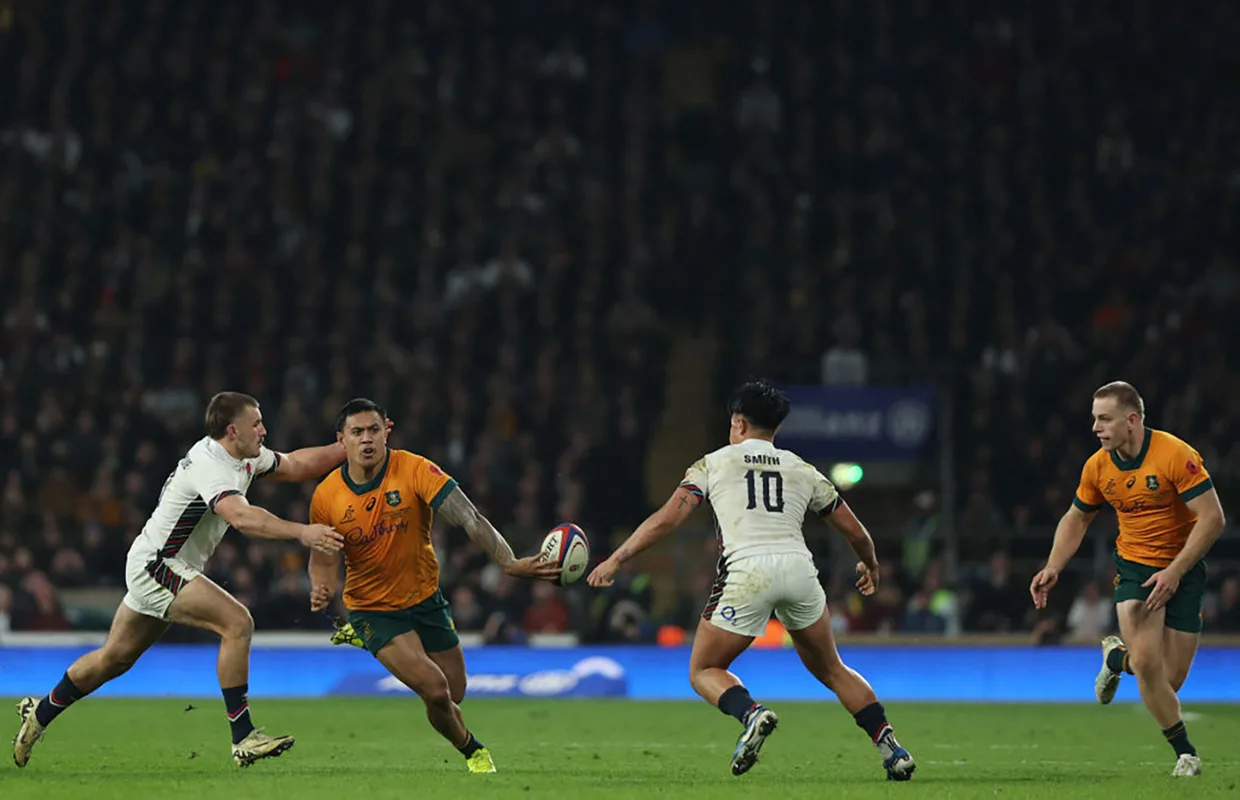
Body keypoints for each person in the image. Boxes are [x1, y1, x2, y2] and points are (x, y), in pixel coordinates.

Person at [587, 380, 916, 781]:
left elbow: (667, 519)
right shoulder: (802, 469)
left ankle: (752, 714)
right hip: (799, 571)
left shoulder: (714, 463)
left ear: (738, 424)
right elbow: (856, 532)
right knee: (833, 669)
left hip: (748, 573)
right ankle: (892, 750)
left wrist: (617, 558)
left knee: (703, 669)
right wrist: (870, 564)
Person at [13, 392, 353, 768]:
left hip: (156, 562)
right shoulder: (212, 465)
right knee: (237, 624)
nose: (263, 429)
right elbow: (241, 517)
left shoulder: (243, 455)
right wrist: (301, 532)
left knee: (114, 659)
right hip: (159, 565)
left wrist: (345, 447)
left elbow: (295, 464)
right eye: (255, 423)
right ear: (231, 430)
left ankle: (40, 713)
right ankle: (243, 737)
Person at [307, 398, 559, 774]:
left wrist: (507, 561)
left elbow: (469, 517)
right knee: (435, 689)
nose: (367, 440)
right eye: (356, 432)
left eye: (374, 430)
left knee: (454, 694)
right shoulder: (326, 496)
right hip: (372, 609)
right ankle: (473, 750)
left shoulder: (415, 469)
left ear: (387, 430)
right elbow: (323, 558)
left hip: (426, 599)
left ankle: (377, 648)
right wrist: (322, 586)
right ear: (341, 440)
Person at [1030, 381, 1226, 777]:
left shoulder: (1174, 454)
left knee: (1169, 680)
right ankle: (1186, 754)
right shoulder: (1097, 467)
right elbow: (1077, 517)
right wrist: (1053, 566)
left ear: (1132, 420)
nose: (1096, 427)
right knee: (1150, 667)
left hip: (1183, 569)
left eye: (1104, 419)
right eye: (1094, 419)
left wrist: (1175, 572)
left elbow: (1213, 518)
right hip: (1135, 569)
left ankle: (1115, 658)